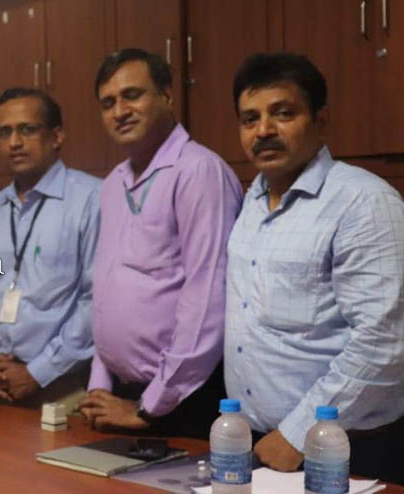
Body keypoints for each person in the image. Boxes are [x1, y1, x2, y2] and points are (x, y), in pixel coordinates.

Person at [225, 53, 404, 482]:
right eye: (250, 119)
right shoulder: (252, 200)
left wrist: (299, 434)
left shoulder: (364, 202)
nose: (263, 130)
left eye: (283, 113)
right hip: (260, 444)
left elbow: (384, 343)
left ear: (321, 121)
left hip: (342, 450)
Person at [77, 48, 242, 438]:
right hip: (122, 396)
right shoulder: (113, 183)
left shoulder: (198, 171)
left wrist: (150, 407)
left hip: (180, 399)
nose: (120, 111)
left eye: (132, 95)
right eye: (108, 103)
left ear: (167, 95)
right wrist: (100, 384)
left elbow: (207, 298)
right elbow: (106, 291)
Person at [0, 88, 100, 409]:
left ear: (57, 136)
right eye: (4, 132)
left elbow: (96, 301)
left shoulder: (91, 199)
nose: (14, 142)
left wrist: (37, 372)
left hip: (60, 385)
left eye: (27, 129)